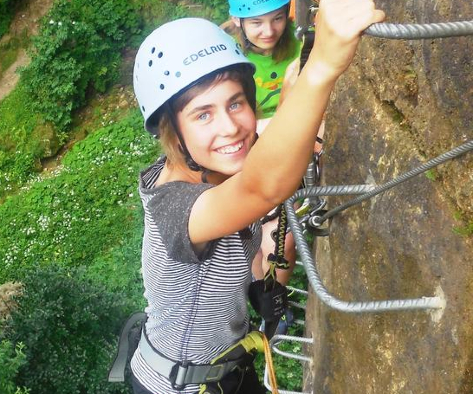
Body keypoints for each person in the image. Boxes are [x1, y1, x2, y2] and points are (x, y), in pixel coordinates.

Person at [129, 1, 385, 393]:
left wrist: (297, 85)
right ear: (172, 131)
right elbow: (262, 186)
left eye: (236, 103)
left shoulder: (215, 167)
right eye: (203, 115)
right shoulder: (175, 208)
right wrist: (324, 67)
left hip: (224, 367)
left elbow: (268, 155)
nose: (230, 127)